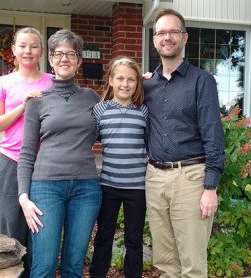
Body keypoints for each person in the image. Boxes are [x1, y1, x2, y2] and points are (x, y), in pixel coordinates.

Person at [143, 9, 225, 278]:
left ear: (184, 37)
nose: (167, 37)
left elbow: (213, 135)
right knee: (165, 263)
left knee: (192, 265)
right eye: (161, 32)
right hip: (154, 178)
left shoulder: (202, 82)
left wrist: (210, 187)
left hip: (191, 178)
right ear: (154, 39)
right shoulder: (147, 85)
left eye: (173, 31)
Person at [17, 29, 102, 278]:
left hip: (86, 188)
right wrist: (24, 196)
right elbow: (27, 152)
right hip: (46, 188)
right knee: (44, 265)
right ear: (51, 59)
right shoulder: (37, 100)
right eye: (58, 53)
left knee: (74, 266)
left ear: (79, 61)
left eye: (71, 54)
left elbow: (119, 112)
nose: (64, 58)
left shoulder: (92, 98)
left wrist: (145, 81)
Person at [0, 27, 52, 277]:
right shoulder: (4, 82)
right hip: (12, 163)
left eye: (34, 46)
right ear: (13, 50)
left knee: (40, 226)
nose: (28, 51)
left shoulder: (52, 82)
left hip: (44, 164)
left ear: (41, 51)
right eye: (23, 46)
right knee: (12, 227)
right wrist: (24, 106)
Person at [89, 56, 149, 278]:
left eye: (131, 80)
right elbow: (87, 142)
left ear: (137, 83)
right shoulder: (99, 110)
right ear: (111, 80)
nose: (125, 84)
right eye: (120, 78)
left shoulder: (143, 112)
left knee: (134, 239)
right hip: (108, 185)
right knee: (104, 235)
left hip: (137, 187)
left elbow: (149, 144)